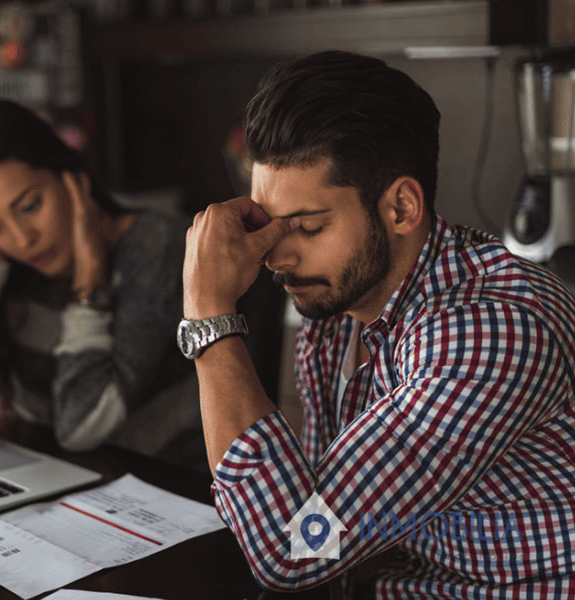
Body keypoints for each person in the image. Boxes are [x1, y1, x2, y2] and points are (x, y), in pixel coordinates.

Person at [180, 51, 575, 597]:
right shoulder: (334, 317)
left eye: (309, 227)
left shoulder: (490, 332)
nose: (276, 256)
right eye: (268, 225)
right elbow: (319, 513)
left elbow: (293, 548)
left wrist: (209, 318)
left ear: (402, 208)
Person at [0, 99, 199, 462]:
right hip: (49, 484)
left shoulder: (157, 247)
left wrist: (89, 285)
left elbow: (81, 427)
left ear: (70, 176)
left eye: (29, 206)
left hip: (159, 489)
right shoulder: (8, 265)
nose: (23, 239)